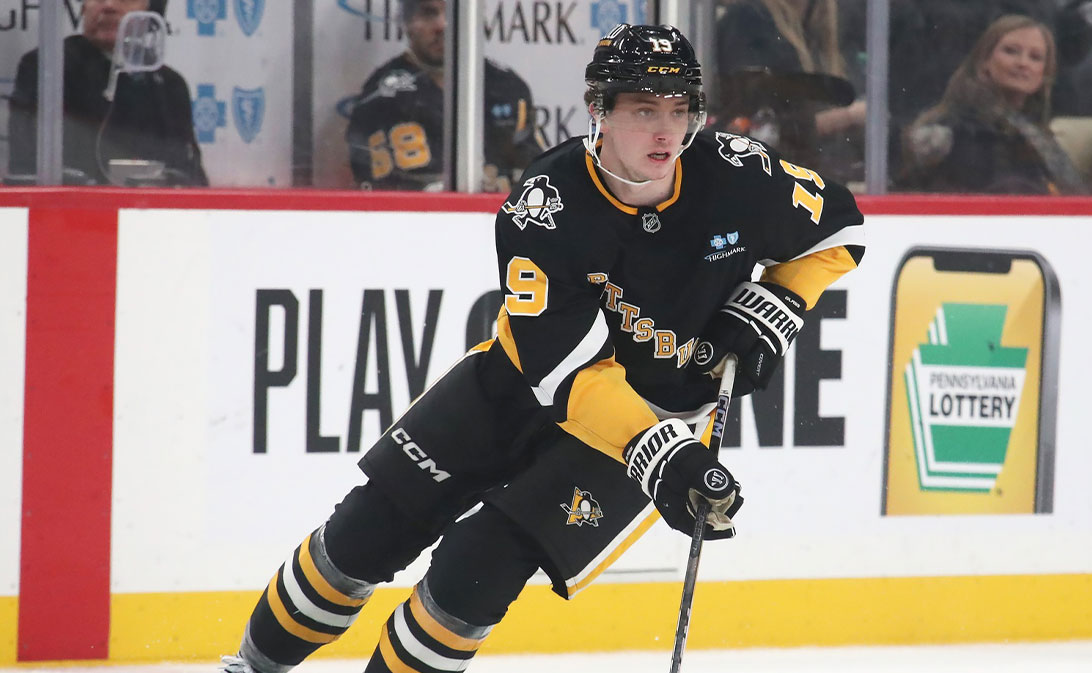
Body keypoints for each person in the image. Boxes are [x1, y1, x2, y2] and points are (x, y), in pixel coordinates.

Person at [221, 24, 864, 673]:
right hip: (521, 388)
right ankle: (250, 667)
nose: (665, 131)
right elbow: (569, 376)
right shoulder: (547, 204)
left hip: (629, 434)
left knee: (473, 573)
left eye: (678, 109)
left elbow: (840, 229)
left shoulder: (737, 174)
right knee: (365, 533)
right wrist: (663, 454)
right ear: (599, 110)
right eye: (643, 109)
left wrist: (779, 302)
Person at [345, 0, 546, 192]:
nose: (442, 25)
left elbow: (537, 175)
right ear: (407, 22)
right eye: (429, 13)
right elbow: (377, 188)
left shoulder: (507, 87)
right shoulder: (382, 95)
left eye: (453, 13)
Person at [5, 0, 207, 186]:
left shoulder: (168, 85)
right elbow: (25, 166)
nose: (109, 5)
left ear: (152, 11)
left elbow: (190, 176)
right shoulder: (48, 68)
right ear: (83, 7)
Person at [899, 14, 1088, 195]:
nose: (1023, 63)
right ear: (984, 61)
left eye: (1035, 57)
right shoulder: (958, 130)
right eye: (1011, 51)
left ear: (1044, 73)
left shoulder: (1036, 134)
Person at [714, 0, 867, 185]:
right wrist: (848, 116)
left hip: (822, 183)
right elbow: (759, 125)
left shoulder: (830, 25)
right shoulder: (748, 19)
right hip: (766, 183)